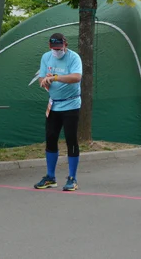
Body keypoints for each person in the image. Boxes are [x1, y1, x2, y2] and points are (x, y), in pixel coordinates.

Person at [33, 33, 83, 191]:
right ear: (49, 46)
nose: (57, 51)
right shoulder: (46, 57)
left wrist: (55, 77)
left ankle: (72, 178)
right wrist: (45, 81)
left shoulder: (74, 57)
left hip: (71, 105)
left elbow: (76, 77)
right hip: (53, 106)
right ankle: (50, 177)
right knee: (51, 138)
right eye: (54, 48)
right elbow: (41, 78)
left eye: (60, 48)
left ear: (65, 44)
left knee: (71, 140)